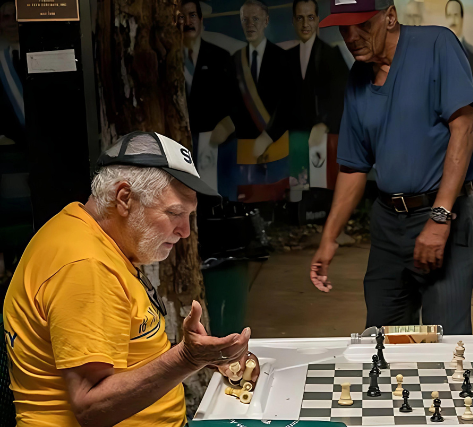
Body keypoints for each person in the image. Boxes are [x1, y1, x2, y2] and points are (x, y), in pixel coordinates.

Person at [3, 132, 259, 426]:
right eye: (174, 213)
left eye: (188, 215)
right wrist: (186, 359)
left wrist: (202, 355)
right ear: (124, 198)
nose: (185, 231)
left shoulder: (86, 230)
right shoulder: (85, 266)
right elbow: (90, 407)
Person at [310, 0, 473, 334]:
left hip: (442, 215)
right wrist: (329, 238)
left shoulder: (437, 45)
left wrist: (440, 216)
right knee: (382, 343)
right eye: (344, 28)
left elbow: (463, 131)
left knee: (444, 344)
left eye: (362, 25)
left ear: (390, 16)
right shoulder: (358, 78)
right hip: (388, 224)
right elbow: (353, 167)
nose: (352, 36)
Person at [286, 0, 349, 191]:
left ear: (318, 20)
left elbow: (343, 98)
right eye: (300, 18)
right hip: (293, 140)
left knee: (321, 193)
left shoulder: (333, 56)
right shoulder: (285, 59)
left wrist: (325, 123)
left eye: (310, 18)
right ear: (294, 22)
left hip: (324, 140)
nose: (305, 24)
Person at [179, 0, 234, 191]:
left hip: (213, 142)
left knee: (209, 194)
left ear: (201, 20)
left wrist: (228, 124)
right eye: (182, 17)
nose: (188, 22)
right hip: (178, 142)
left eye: (192, 15)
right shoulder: (167, 58)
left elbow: (237, 100)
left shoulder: (220, 57)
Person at [233, 0, 290, 162]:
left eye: (255, 19)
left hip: (277, 147)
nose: (250, 24)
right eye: (245, 19)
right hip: (244, 149)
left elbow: (288, 104)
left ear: (266, 21)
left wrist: (267, 137)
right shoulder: (234, 61)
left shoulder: (283, 59)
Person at [0, 0, 23, 147]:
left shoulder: (46, 56)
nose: (12, 23)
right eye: (5, 17)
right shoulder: (1, 61)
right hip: (12, 146)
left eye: (16, 16)